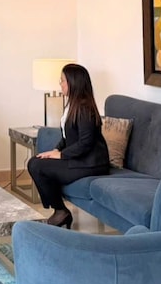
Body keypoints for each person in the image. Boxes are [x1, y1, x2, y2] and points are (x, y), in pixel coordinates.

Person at [27, 63, 109, 228]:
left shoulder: (85, 108)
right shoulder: (71, 104)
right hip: (79, 158)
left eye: (62, 80)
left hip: (91, 163)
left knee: (38, 166)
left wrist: (61, 155)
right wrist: (55, 150)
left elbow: (86, 142)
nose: (60, 84)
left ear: (73, 82)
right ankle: (59, 210)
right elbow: (66, 136)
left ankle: (60, 212)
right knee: (35, 161)